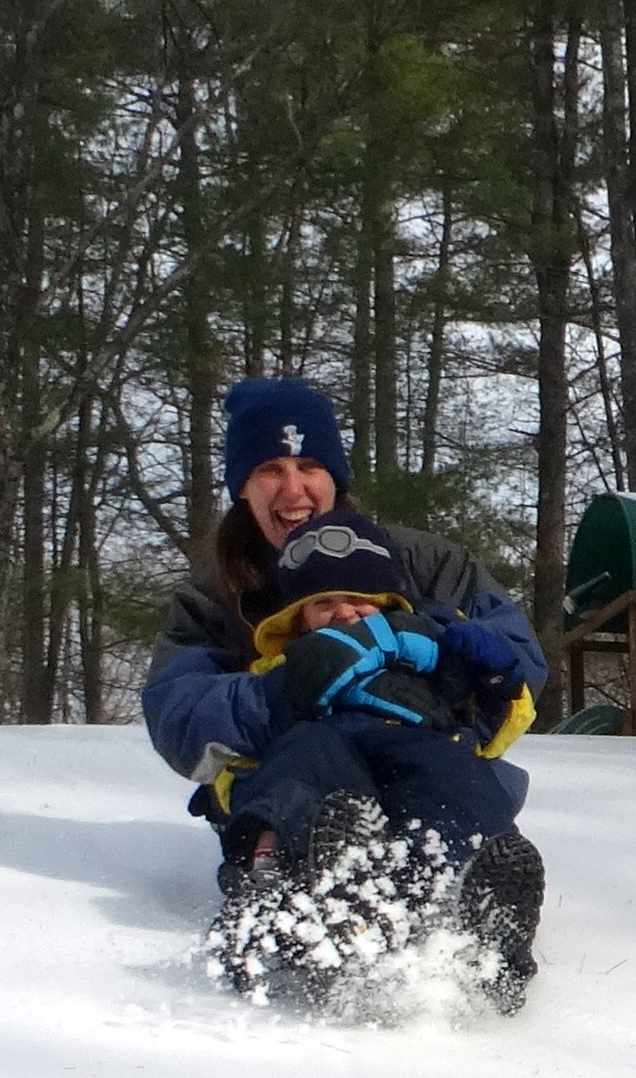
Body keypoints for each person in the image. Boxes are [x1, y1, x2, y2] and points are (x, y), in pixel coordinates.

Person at [145, 377, 551, 1005]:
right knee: (311, 762)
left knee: (448, 770)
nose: (294, 490)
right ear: (241, 486)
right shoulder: (216, 597)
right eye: (270, 470)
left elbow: (518, 659)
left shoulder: (423, 563)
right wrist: (288, 688)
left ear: (335, 476)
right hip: (296, 778)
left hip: (425, 766)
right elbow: (179, 716)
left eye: (309, 466)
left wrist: (427, 650)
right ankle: (294, 887)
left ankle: (484, 892)